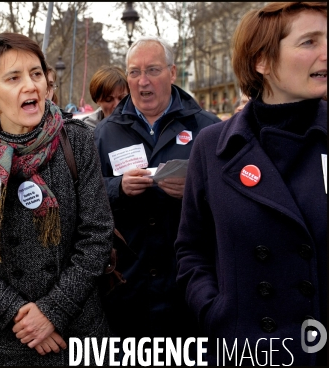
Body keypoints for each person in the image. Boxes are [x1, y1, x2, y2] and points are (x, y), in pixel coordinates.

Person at [0, 32, 114, 365]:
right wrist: (18, 314)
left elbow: (97, 235)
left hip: (78, 333)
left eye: (36, 74)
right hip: (4, 342)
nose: (31, 85)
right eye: (14, 77)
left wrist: (53, 311)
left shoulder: (75, 141)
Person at [175, 2, 327, 366]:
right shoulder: (213, 147)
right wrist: (216, 313)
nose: (325, 53)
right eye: (309, 42)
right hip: (245, 351)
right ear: (262, 61)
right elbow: (190, 251)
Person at [94, 36, 220, 345]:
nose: (143, 81)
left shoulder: (208, 128)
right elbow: (86, 198)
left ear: (173, 73)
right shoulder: (102, 134)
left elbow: (231, 200)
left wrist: (196, 190)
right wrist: (117, 188)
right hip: (127, 288)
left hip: (190, 288)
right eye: (134, 72)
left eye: (153, 70)